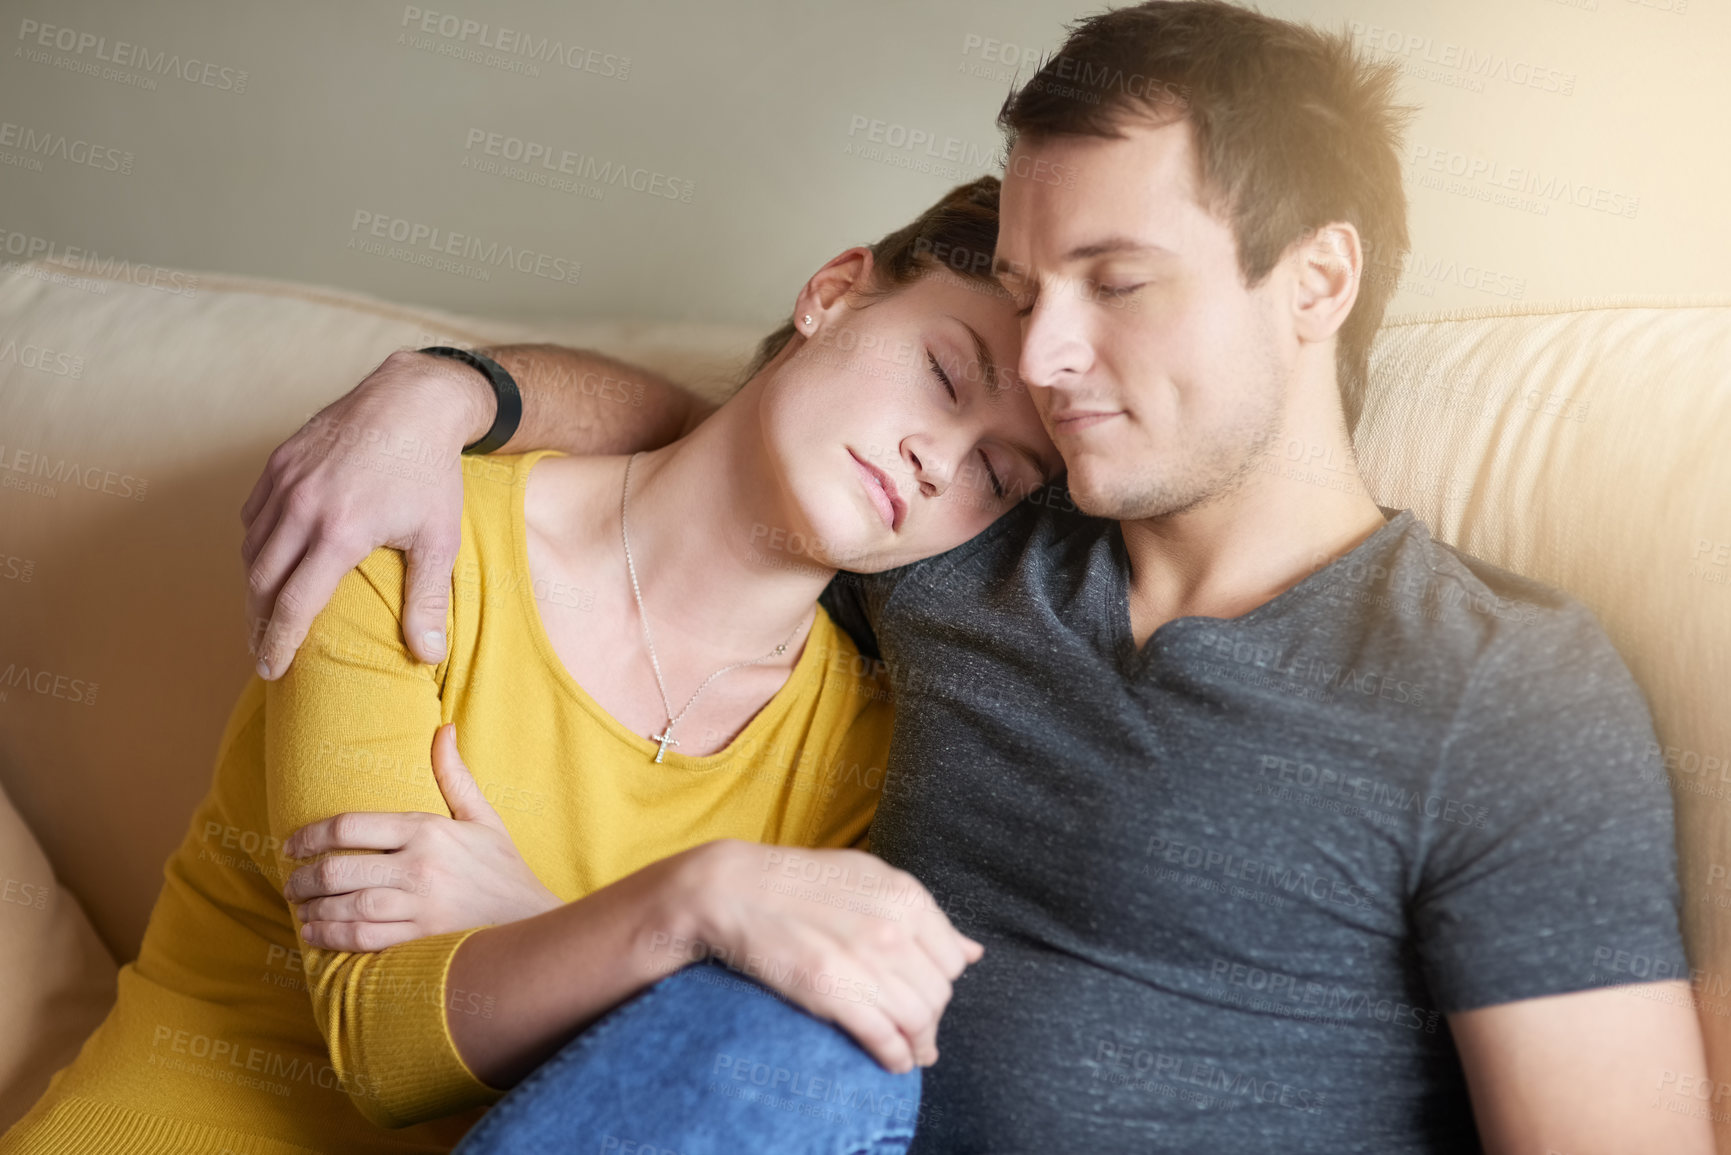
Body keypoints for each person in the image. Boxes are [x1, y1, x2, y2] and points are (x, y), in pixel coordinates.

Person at [233, 3, 1715, 1152]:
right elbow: (729, 441)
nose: (1047, 362)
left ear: (1312, 282)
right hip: (791, 1110)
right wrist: (444, 393)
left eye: (1115, 284)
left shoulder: (1495, 688)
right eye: (1018, 294)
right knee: (777, 1037)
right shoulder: (963, 524)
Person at [0, 177, 1066, 1155]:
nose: (938, 460)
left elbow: (730, 1090)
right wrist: (700, 901)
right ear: (834, 293)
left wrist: (538, 913)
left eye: (995, 474)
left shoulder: (870, 748)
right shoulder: (414, 534)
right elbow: (387, 1041)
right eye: (941, 375)